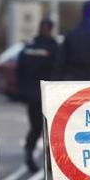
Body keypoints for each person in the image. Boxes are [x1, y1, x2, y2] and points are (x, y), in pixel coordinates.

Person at [16, 18, 59, 172]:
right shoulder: (54, 48)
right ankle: (50, 163)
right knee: (50, 128)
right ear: (50, 29)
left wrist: (22, 92)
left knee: (35, 127)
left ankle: (29, 156)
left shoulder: (28, 47)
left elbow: (19, 71)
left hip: (31, 95)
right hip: (48, 94)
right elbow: (58, 71)